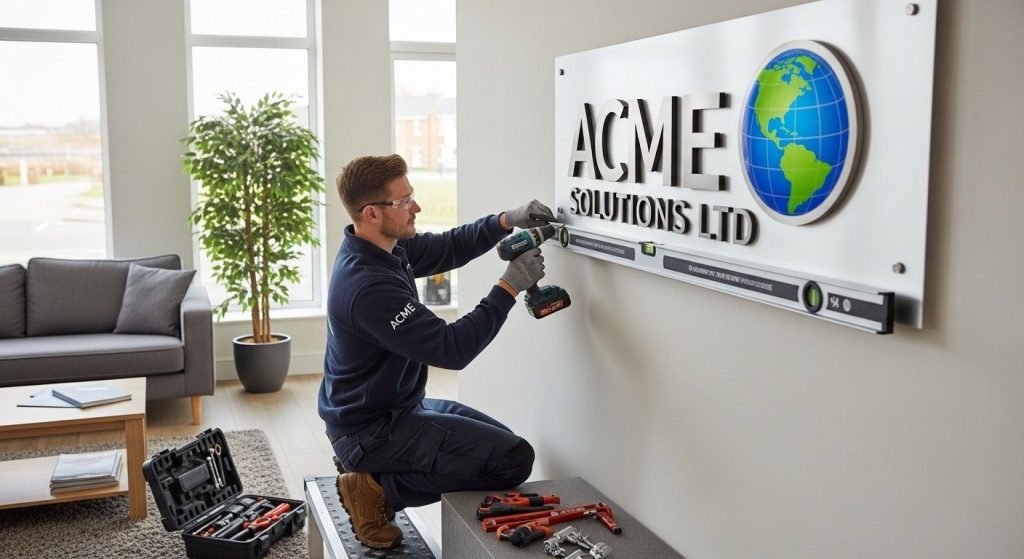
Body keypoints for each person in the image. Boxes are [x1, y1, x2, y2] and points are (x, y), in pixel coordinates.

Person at [319, 154, 555, 549]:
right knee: (514, 460)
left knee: (505, 446)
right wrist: (509, 286)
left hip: (400, 407)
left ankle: (374, 475)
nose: (416, 207)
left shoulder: (387, 248)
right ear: (372, 214)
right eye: (404, 201)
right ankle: (375, 488)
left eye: (412, 196)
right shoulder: (367, 287)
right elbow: (452, 348)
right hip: (371, 429)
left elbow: (447, 247)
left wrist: (505, 220)